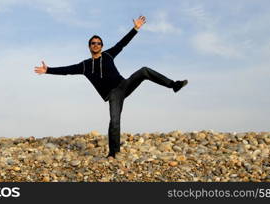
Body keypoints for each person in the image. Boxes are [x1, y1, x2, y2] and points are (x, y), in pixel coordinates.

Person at [34, 16, 188, 158]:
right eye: (93, 43)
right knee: (114, 121)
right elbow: (66, 71)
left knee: (144, 71)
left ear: (102, 46)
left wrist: (135, 29)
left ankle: (173, 85)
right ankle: (114, 153)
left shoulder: (108, 55)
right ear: (89, 46)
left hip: (124, 84)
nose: (96, 45)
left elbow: (122, 44)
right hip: (113, 94)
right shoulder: (85, 66)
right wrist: (48, 70)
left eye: (98, 43)